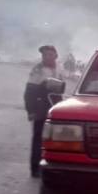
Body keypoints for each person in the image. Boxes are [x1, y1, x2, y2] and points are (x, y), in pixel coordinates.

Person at [24, 44, 65, 177]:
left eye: (49, 54)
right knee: (38, 139)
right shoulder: (38, 69)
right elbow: (29, 91)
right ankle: (35, 168)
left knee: (56, 139)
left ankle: (54, 167)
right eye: (44, 54)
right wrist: (31, 110)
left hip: (55, 107)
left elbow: (61, 87)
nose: (46, 57)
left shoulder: (60, 67)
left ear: (55, 56)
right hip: (41, 108)